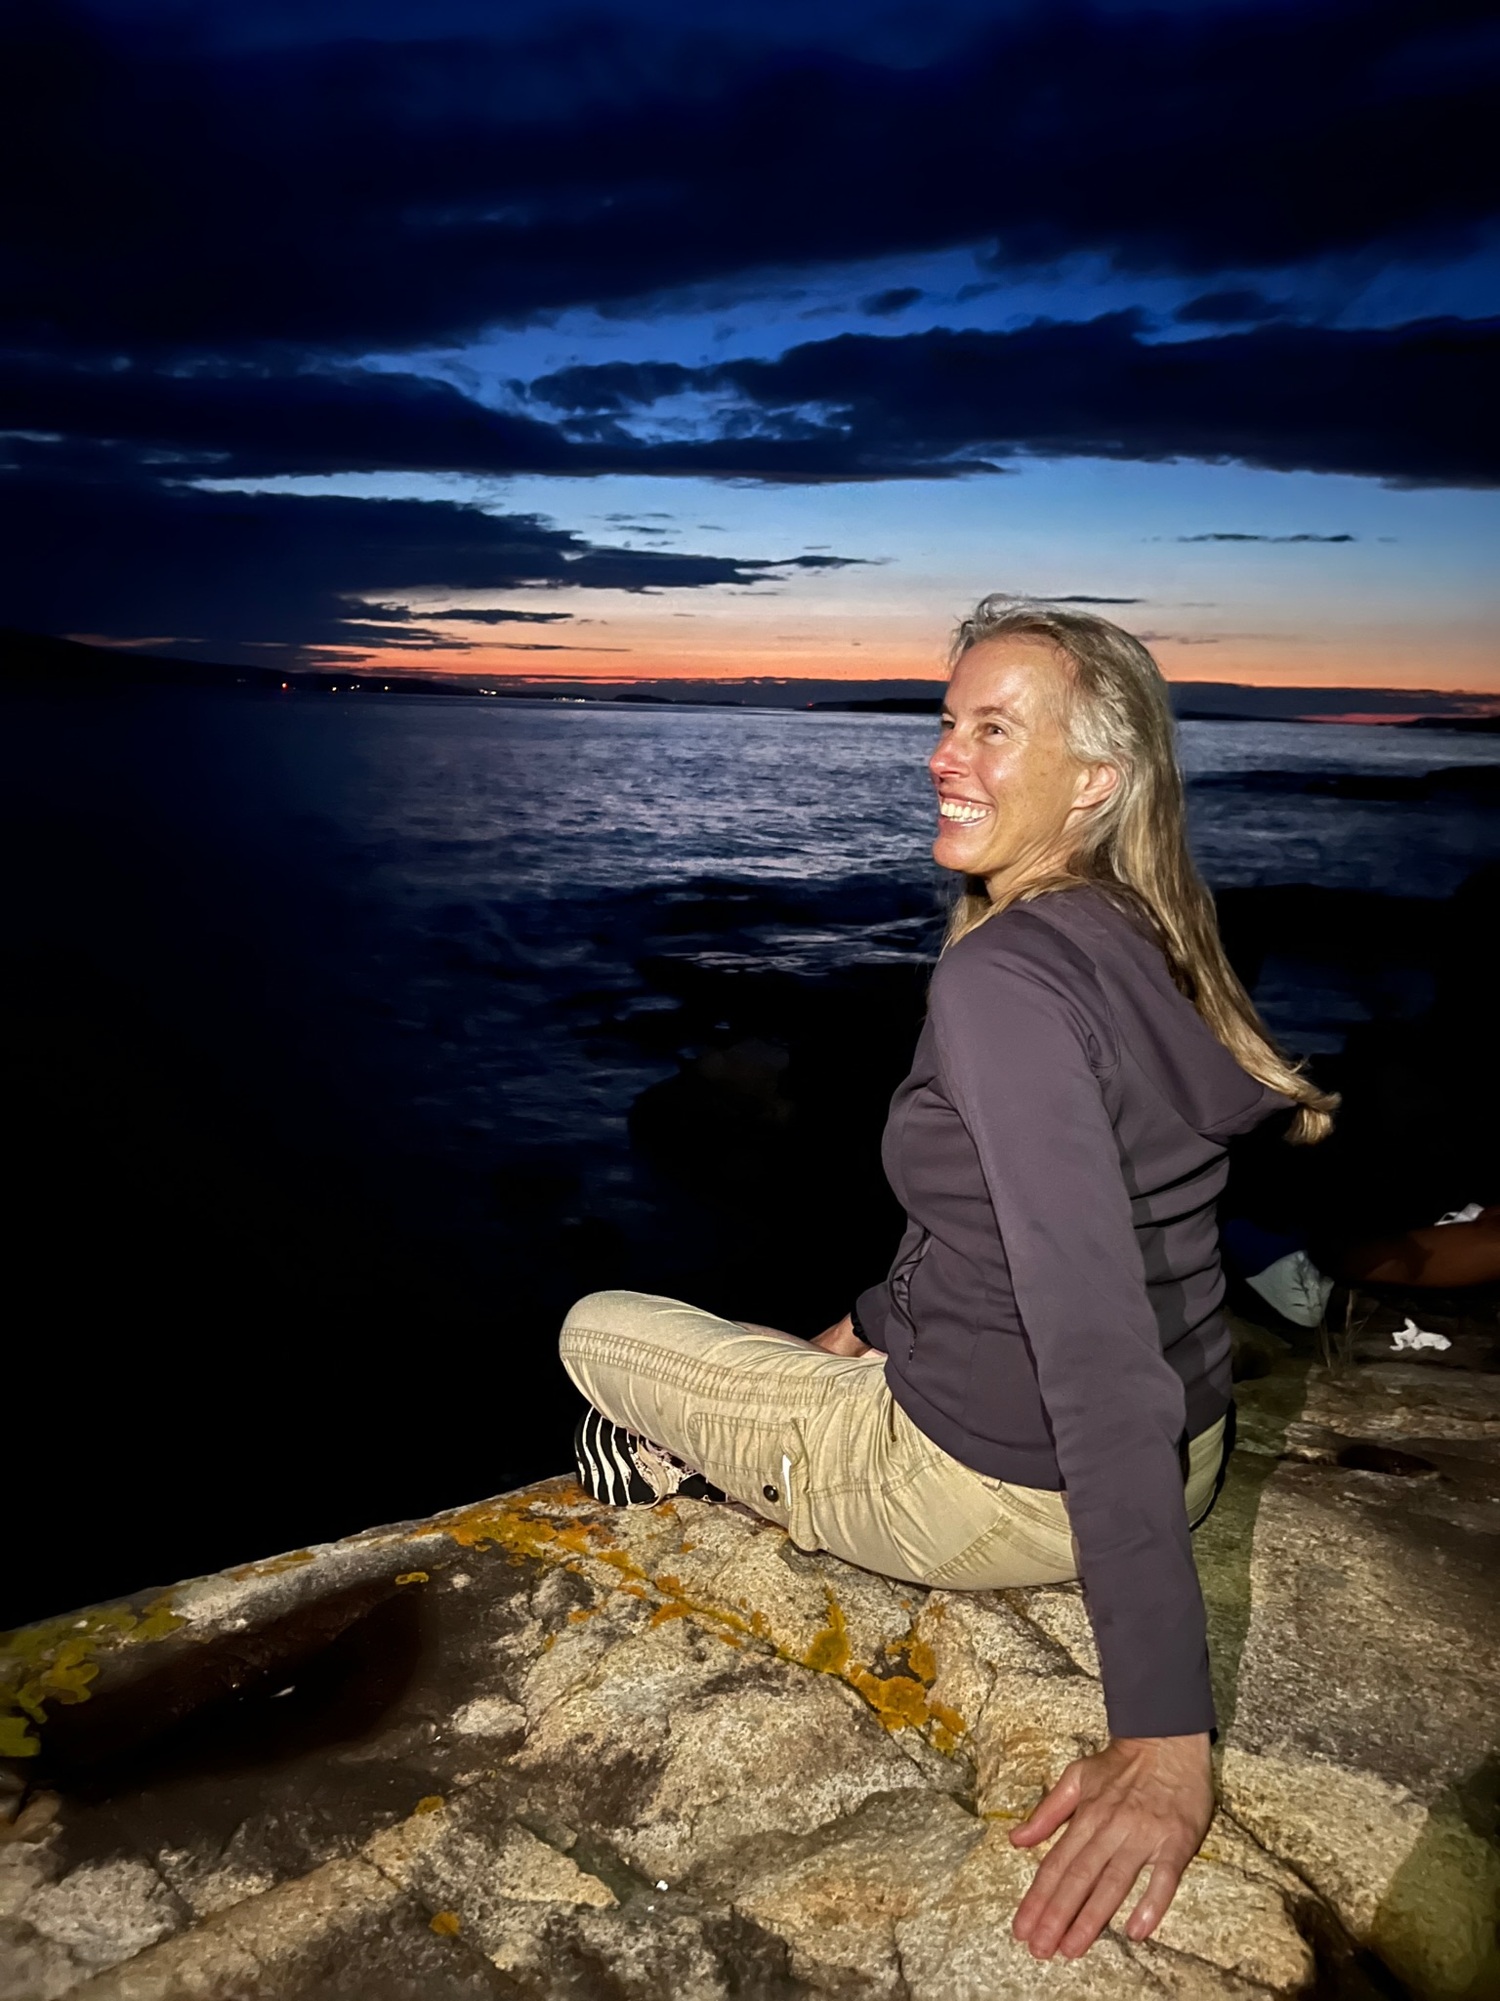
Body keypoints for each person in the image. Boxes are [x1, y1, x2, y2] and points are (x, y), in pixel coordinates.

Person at [559, 597, 1335, 1961]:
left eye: (992, 727)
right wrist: (865, 1326)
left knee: (598, 1325)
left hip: (987, 1486)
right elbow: (1008, 1225)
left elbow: (1089, 1342)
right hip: (1189, 1446)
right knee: (801, 1340)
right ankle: (786, 1393)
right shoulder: (1142, 925)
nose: (943, 753)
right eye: (944, 721)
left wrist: (1162, 1733)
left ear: (1094, 781)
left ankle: (672, 1452)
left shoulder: (1003, 985)